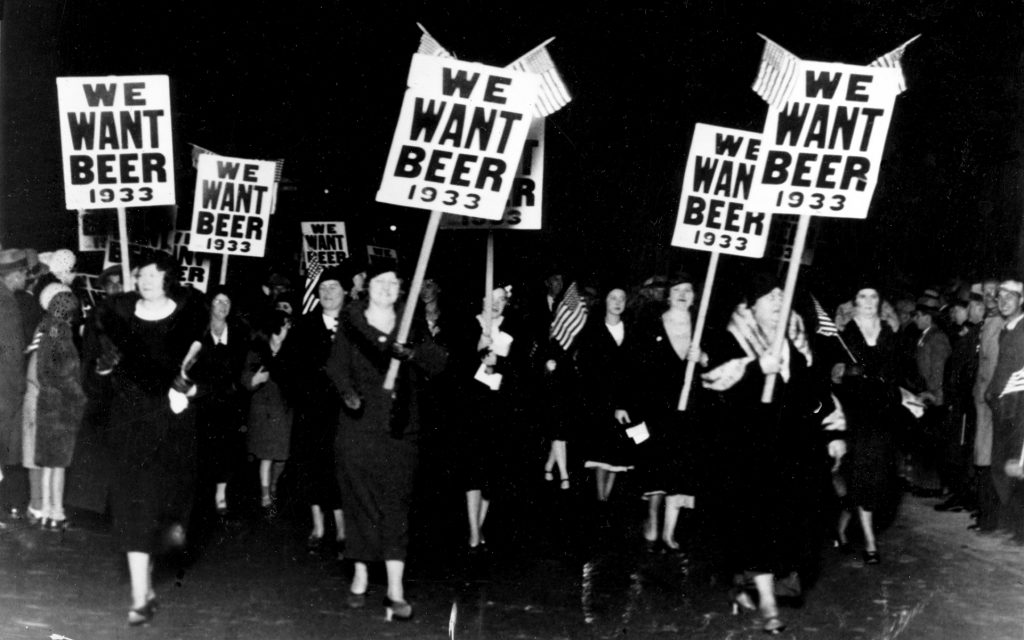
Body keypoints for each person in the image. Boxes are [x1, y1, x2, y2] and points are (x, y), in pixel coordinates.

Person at [701, 271, 845, 635]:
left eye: (783, 298)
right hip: (748, 453)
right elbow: (712, 382)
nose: (779, 304)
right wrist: (753, 369)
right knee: (758, 523)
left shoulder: (797, 342)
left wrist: (834, 430)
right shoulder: (731, 338)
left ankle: (746, 583)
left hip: (792, 451)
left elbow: (815, 391)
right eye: (771, 298)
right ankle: (766, 604)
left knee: (790, 522)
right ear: (753, 305)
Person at [327, 263, 446, 621]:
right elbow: (335, 366)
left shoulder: (411, 321)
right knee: (360, 499)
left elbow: (437, 362)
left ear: (400, 289)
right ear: (368, 288)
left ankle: (395, 588)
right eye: (380, 282)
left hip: (400, 428)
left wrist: (411, 353)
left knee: (396, 503)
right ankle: (361, 573)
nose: (386, 288)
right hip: (359, 425)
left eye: (393, 283)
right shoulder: (352, 321)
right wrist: (347, 393)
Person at [94, 253, 206, 626]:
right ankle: (140, 596)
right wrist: (105, 368)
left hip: (173, 431)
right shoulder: (119, 320)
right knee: (133, 505)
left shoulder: (188, 320)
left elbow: (210, 375)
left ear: (169, 279)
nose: (146, 280)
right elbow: (100, 377)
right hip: (131, 427)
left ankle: (151, 566)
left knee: (165, 511)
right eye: (141, 274)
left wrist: (188, 389)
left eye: (155, 274)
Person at [636, 271, 706, 551]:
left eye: (688, 290)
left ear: (694, 297)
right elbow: (639, 365)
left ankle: (670, 531)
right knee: (655, 463)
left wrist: (703, 357)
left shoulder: (702, 327)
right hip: (657, 407)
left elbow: (719, 364)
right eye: (677, 289)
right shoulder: (652, 324)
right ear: (668, 295)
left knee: (680, 466)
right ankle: (652, 520)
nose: (682, 294)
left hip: (689, 407)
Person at [830, 286, 901, 564]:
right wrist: (849, 371)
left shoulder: (889, 332)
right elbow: (833, 374)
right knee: (860, 473)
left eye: (874, 297)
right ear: (854, 302)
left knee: (877, 477)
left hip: (883, 414)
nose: (869, 302)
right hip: (854, 414)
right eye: (862, 297)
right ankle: (870, 543)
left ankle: (842, 526)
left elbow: (897, 371)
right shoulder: (843, 333)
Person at [460, 284, 529, 550]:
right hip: (472, 405)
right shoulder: (468, 325)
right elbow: (456, 363)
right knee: (472, 468)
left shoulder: (515, 328)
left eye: (502, 299)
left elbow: (522, 366)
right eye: (492, 298)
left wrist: (499, 363)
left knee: (491, 469)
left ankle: (480, 522)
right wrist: (478, 350)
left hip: (500, 406)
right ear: (482, 299)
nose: (496, 303)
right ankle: (474, 530)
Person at [290, 266, 349, 556]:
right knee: (312, 468)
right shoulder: (304, 326)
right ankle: (318, 527)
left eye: (333, 288)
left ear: (345, 292)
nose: (326, 293)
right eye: (322, 289)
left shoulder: (354, 324)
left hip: (345, 414)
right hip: (312, 412)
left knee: (339, 469)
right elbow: (284, 368)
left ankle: (342, 530)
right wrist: (303, 391)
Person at [26, 283, 87, 530]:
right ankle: (57, 512)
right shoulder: (62, 334)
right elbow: (62, 373)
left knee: (49, 463)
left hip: (46, 404)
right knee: (59, 464)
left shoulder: (47, 329)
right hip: (61, 406)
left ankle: (46, 511)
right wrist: (80, 396)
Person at [189, 286, 250, 521]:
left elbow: (240, 370)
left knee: (225, 451)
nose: (222, 306)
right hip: (201, 403)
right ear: (210, 305)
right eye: (218, 301)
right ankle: (199, 495)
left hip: (227, 404)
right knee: (200, 449)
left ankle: (220, 495)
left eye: (227, 302)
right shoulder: (199, 332)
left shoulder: (238, 334)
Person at [580, 285, 641, 502]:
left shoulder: (632, 330)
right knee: (601, 451)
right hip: (600, 400)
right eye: (613, 297)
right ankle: (600, 499)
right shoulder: (593, 330)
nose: (617, 302)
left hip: (625, 400)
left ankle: (607, 497)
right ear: (605, 301)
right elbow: (587, 368)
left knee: (619, 452)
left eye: (622, 298)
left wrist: (623, 402)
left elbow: (635, 369)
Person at [244, 310, 296, 516]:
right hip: (263, 410)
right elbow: (246, 378)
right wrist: (254, 380)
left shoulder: (291, 351)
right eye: (284, 325)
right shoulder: (258, 350)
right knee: (266, 456)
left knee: (281, 457)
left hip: (284, 410)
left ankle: (273, 485)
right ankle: (266, 496)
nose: (287, 328)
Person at [0, 249, 28, 518]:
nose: (27, 279)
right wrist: (18, 388)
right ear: (14, 275)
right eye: (24, 273)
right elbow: (10, 350)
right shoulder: (6, 303)